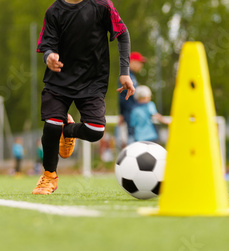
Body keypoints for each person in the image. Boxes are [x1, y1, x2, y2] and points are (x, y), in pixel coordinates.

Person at [34, 0, 135, 195]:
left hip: (92, 81)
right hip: (59, 79)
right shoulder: (54, 11)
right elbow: (46, 44)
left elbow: (123, 34)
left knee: (95, 130)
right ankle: (49, 176)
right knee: (52, 125)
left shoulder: (102, 5)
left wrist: (125, 72)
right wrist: (49, 56)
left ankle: (68, 131)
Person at [118, 52, 146, 145]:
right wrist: (122, 113)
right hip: (130, 114)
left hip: (133, 114)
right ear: (132, 62)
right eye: (139, 62)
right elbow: (122, 97)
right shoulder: (126, 77)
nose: (141, 65)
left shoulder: (132, 76)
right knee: (132, 140)